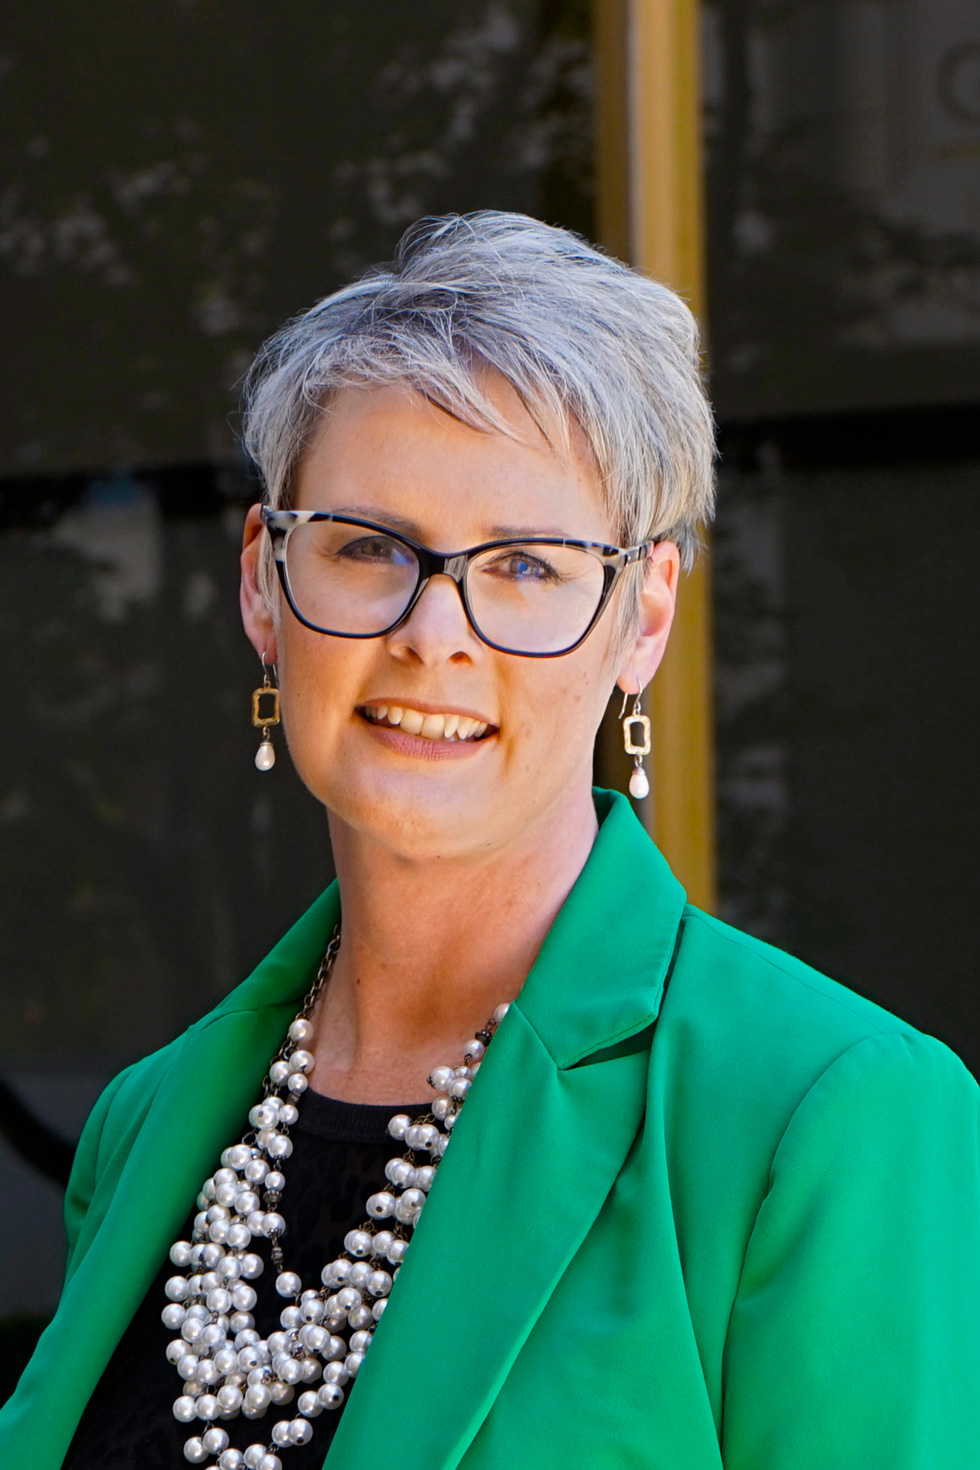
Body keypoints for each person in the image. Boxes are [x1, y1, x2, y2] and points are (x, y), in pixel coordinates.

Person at [2, 211, 978, 1470]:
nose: (433, 637)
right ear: (262, 582)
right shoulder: (149, 1121)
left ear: (641, 619)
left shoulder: (825, 1113)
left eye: (525, 566)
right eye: (368, 547)